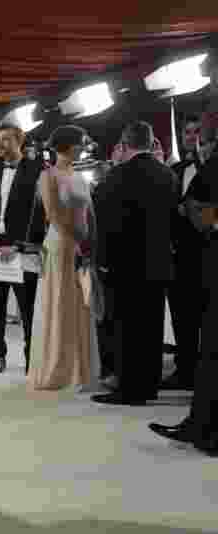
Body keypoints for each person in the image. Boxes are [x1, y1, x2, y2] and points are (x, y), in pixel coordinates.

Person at [93, 121, 176, 406]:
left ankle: (129, 389)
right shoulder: (167, 175)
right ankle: (149, 385)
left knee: (125, 328)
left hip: (123, 265)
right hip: (158, 262)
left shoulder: (115, 177)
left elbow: (104, 224)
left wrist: (102, 261)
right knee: (151, 327)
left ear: (124, 144)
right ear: (151, 143)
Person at [149, 116, 218, 455]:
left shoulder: (211, 166)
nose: (199, 143)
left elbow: (200, 213)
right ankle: (199, 424)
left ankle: (204, 428)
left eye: (203, 137)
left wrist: (201, 214)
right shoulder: (196, 169)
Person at [27, 126, 95, 391]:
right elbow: (53, 214)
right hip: (60, 245)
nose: (84, 147)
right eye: (81, 143)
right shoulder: (48, 176)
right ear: (67, 145)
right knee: (59, 301)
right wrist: (77, 241)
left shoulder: (79, 176)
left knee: (80, 303)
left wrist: (90, 243)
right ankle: (58, 368)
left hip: (80, 245)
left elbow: (90, 213)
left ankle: (80, 367)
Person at [0, 122, 46, 374]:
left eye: (6, 139)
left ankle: (32, 358)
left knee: (28, 310)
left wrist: (18, 245)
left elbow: (38, 214)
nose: (0, 144)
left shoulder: (35, 170)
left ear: (20, 141)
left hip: (22, 251)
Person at [164, 115, 206, 391]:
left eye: (196, 131)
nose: (191, 137)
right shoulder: (176, 169)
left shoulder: (212, 167)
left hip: (207, 252)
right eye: (187, 132)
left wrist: (194, 213)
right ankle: (185, 369)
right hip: (179, 255)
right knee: (182, 316)